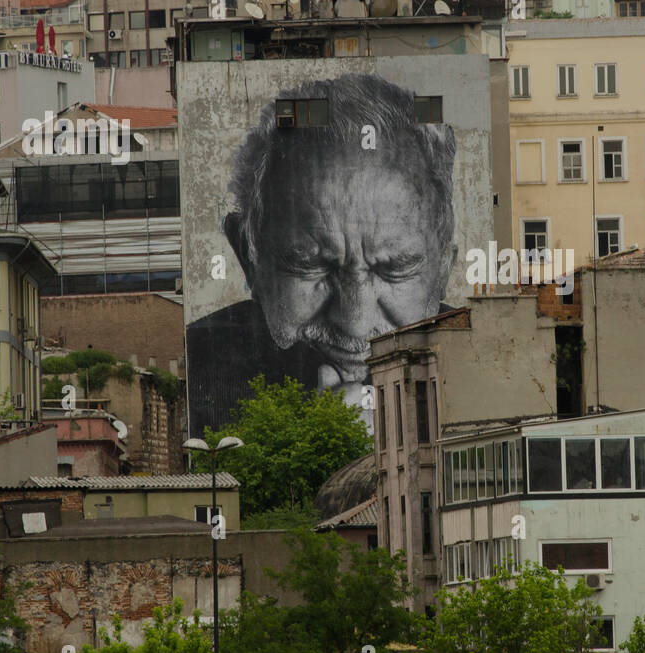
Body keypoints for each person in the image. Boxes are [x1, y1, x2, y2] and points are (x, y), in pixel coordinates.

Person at [186, 73, 456, 434]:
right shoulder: (196, 371)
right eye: (310, 265)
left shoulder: (495, 366)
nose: (355, 322)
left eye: (394, 269)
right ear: (247, 254)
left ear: (444, 268)